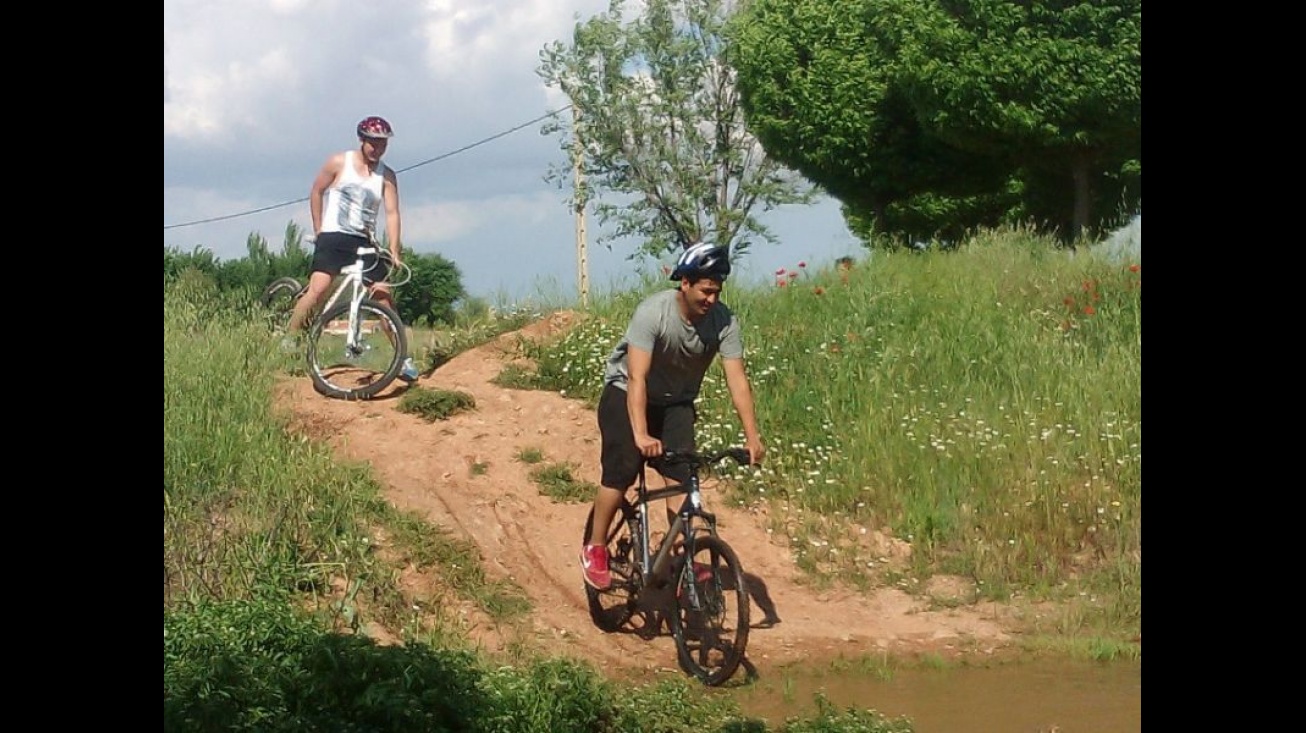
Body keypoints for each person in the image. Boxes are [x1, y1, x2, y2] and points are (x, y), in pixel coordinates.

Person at [580, 243, 766, 590]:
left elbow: (738, 381)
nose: (711, 299)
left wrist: (753, 436)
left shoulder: (724, 322)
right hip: (626, 393)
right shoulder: (654, 313)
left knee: (681, 477)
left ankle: (684, 561)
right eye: (705, 290)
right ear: (685, 283)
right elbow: (636, 376)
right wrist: (639, 434)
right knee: (621, 470)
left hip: (676, 402)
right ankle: (597, 546)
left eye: (717, 291)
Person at [286, 115, 419, 382]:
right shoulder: (339, 162)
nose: (377, 149)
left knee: (383, 296)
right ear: (362, 140)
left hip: (364, 239)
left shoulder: (386, 176)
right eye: (373, 143)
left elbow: (392, 213)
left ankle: (402, 359)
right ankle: (289, 340)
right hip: (334, 236)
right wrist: (319, 229)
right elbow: (316, 191)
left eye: (382, 144)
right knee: (319, 289)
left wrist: (394, 249)